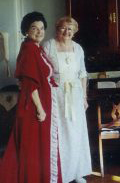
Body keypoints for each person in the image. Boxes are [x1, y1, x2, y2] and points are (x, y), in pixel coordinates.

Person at [0, 12, 61, 183]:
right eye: (34, 28)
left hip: (42, 102)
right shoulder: (29, 50)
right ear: (26, 30)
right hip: (35, 106)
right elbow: (29, 84)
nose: (39, 32)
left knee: (38, 147)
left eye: (42, 28)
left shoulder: (35, 48)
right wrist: (40, 110)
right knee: (34, 147)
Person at [43, 16, 92, 183]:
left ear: (74, 31)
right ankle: (60, 174)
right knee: (60, 134)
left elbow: (83, 74)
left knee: (76, 133)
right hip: (56, 95)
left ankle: (77, 172)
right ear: (58, 29)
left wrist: (84, 97)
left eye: (70, 29)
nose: (66, 31)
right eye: (63, 28)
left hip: (76, 95)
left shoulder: (78, 49)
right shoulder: (49, 45)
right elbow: (43, 72)